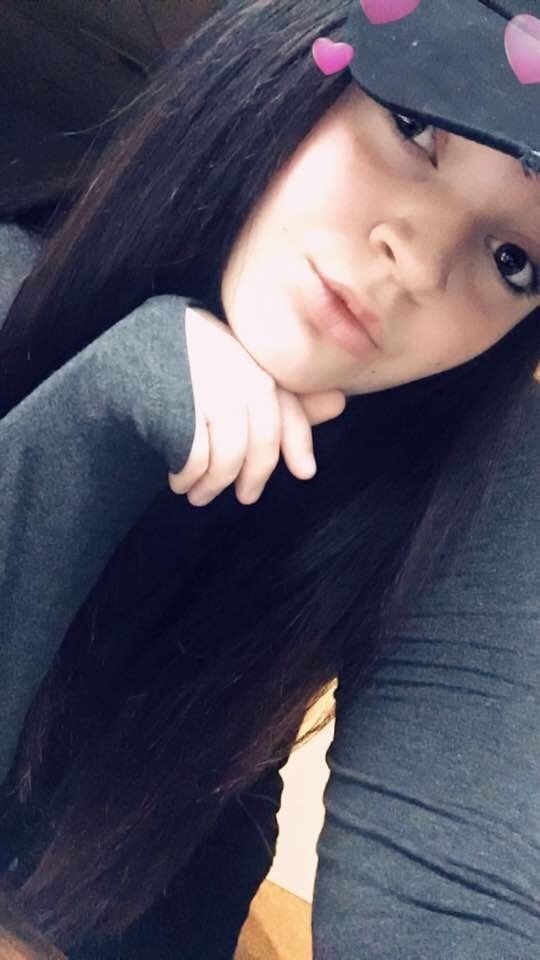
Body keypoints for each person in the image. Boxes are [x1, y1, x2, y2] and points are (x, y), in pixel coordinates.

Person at [0, 0, 538, 957]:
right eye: (414, 124)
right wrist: (89, 428)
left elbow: (456, 890)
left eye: (514, 261)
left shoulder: (470, 477)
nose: (416, 262)